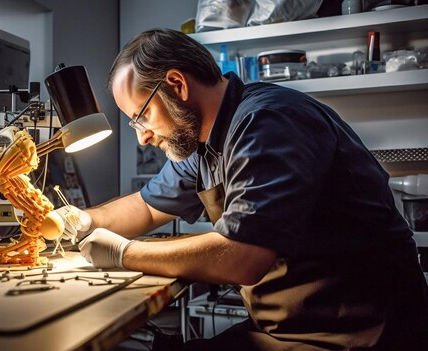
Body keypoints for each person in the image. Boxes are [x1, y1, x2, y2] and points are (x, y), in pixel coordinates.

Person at [58, 28, 428, 350]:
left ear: (177, 84)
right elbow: (146, 206)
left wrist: (125, 253)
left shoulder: (268, 121)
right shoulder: (202, 144)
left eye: (142, 117)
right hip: (293, 327)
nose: (143, 138)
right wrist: (82, 219)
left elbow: (243, 256)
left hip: (360, 332)